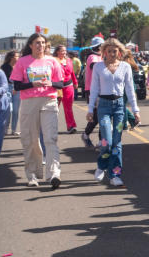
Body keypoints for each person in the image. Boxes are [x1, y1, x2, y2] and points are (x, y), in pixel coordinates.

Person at [10, 33, 65, 188]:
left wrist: (51, 82)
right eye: (37, 43)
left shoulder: (52, 61)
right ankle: (32, 174)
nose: (40, 45)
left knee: (50, 138)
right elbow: (17, 86)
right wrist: (32, 84)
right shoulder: (22, 62)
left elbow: (61, 83)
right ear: (30, 45)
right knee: (31, 140)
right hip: (29, 102)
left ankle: (54, 174)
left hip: (49, 101)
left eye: (42, 43)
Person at [87, 38, 139, 188]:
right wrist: (90, 109)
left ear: (120, 52)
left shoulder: (125, 67)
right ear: (104, 52)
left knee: (117, 143)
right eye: (108, 51)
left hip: (119, 107)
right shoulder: (98, 67)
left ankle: (115, 175)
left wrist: (136, 110)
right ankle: (101, 165)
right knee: (107, 141)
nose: (111, 54)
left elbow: (130, 90)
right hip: (103, 106)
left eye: (114, 51)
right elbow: (94, 89)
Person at [81, 36, 104, 147]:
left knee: (100, 116)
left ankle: (87, 135)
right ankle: (97, 140)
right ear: (100, 46)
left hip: (103, 90)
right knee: (99, 116)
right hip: (92, 90)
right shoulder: (92, 56)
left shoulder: (103, 57)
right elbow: (93, 66)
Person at [54, 45, 78, 134]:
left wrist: (75, 82)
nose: (64, 52)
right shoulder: (54, 61)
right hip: (57, 87)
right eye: (62, 51)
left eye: (65, 51)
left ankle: (71, 126)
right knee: (54, 108)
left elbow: (72, 73)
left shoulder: (69, 61)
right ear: (57, 52)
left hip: (68, 86)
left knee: (68, 108)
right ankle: (52, 127)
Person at [0, 50, 21, 135]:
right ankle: (5, 128)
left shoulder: (19, 66)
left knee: (16, 111)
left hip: (17, 89)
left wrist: (17, 87)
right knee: (8, 110)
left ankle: (14, 129)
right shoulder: (4, 67)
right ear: (11, 57)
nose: (18, 58)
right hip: (7, 89)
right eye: (17, 56)